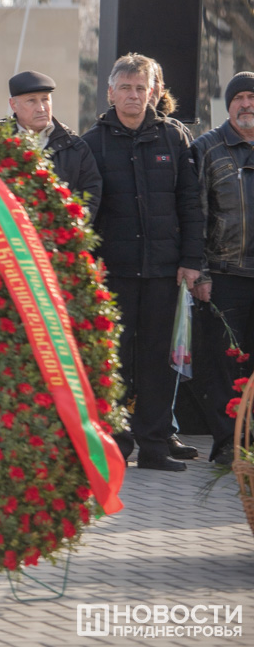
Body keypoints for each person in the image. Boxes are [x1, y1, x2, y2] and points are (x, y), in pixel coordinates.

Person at [82, 53, 203, 472]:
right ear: (110, 92)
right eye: (125, 88)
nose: (133, 95)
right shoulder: (91, 143)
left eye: (140, 88)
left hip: (164, 272)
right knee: (113, 359)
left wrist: (191, 260)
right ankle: (116, 445)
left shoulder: (174, 137)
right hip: (113, 273)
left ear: (153, 92)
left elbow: (190, 204)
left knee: (158, 361)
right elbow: (86, 212)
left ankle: (154, 445)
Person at [190, 71, 254, 466]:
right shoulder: (207, 148)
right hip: (224, 275)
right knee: (224, 365)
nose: (246, 104)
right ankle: (230, 443)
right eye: (239, 98)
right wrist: (200, 272)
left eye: (252, 97)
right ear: (228, 105)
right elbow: (194, 214)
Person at [6, 70, 102, 219]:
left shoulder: (75, 146)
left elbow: (90, 195)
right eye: (31, 101)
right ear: (13, 105)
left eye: (45, 99)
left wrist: (71, 227)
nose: (41, 108)